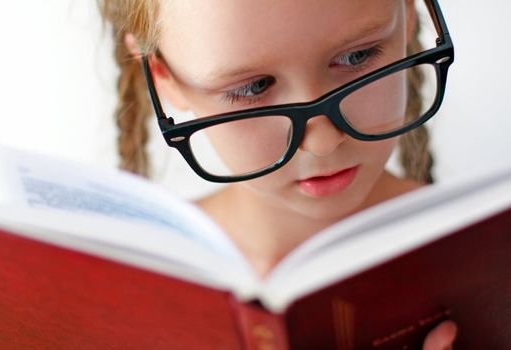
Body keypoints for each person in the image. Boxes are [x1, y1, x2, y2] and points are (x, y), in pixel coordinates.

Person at [100, 0, 457, 348]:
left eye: (356, 57)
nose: (322, 141)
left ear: (409, 14)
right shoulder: (119, 292)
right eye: (254, 87)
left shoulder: (493, 260)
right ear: (164, 78)